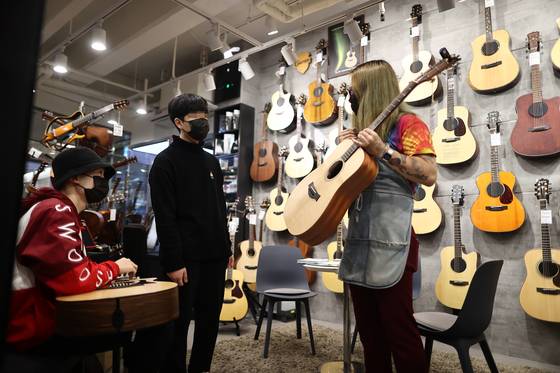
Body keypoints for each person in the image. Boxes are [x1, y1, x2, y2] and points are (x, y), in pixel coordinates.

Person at [338, 60, 437, 373]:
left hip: (394, 244)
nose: (350, 97)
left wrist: (382, 150)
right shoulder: (359, 134)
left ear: (370, 91)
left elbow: (429, 174)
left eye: (355, 90)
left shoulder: (409, 124)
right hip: (359, 242)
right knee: (369, 336)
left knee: (400, 334)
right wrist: (341, 157)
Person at [4, 147, 139, 372]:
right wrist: (115, 267)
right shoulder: (55, 212)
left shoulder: (56, 209)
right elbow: (73, 280)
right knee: (124, 331)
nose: (103, 182)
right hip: (31, 332)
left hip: (37, 323)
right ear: (76, 178)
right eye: (98, 175)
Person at [149, 93, 232, 373]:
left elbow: (219, 209)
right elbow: (165, 216)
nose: (203, 124)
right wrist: (173, 262)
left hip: (215, 256)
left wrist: (228, 250)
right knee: (178, 325)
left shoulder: (213, 163)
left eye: (205, 118)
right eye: (196, 119)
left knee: (209, 323)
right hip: (185, 260)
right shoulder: (164, 162)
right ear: (179, 123)